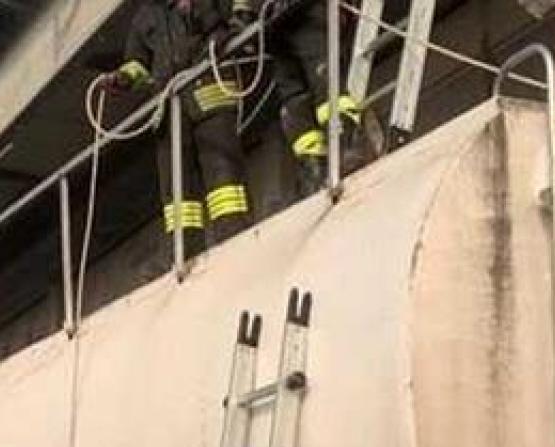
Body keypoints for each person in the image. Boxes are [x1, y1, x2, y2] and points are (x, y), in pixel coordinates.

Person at [108, 0, 255, 255]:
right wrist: (124, 78)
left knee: (221, 168)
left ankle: (234, 234)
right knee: (176, 188)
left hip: (208, 88)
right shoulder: (145, 16)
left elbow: (231, 17)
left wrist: (216, 28)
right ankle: (184, 252)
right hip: (170, 107)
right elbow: (137, 63)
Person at [246, 0, 367, 194]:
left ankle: (347, 143)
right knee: (294, 100)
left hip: (309, 12)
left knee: (324, 84)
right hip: (274, 27)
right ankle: (314, 168)